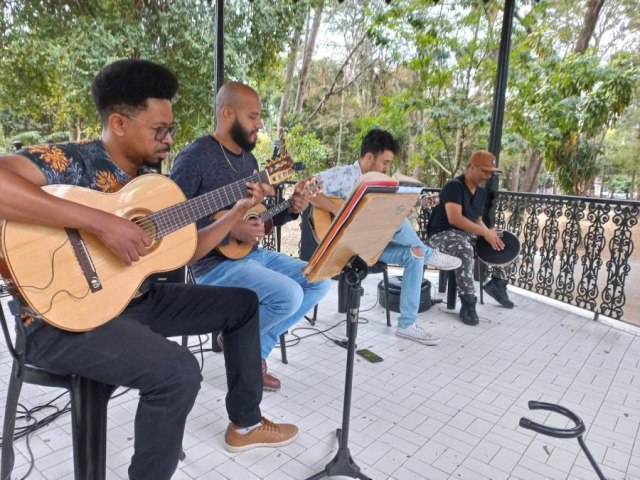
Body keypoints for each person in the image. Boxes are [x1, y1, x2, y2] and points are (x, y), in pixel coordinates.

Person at [0, 59, 298, 480]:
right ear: (118, 123)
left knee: (244, 304)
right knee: (178, 372)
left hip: (129, 300)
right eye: (160, 130)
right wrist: (102, 222)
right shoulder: (71, 160)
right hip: (58, 320)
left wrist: (234, 213)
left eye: (171, 129)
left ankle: (245, 422)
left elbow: (188, 252)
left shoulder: (149, 185)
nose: (169, 139)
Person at [170, 82, 331, 392]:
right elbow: (172, 220)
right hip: (211, 266)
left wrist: (291, 208)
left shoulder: (250, 162)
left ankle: (251, 347)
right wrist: (230, 227)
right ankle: (242, 347)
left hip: (250, 255)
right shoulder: (195, 157)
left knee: (318, 279)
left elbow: (259, 220)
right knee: (289, 295)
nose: (260, 125)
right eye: (253, 116)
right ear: (227, 113)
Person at [311, 129, 462, 346]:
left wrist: (407, 207)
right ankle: (431, 253)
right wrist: (339, 208)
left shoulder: (382, 184)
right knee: (397, 222)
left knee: (414, 253)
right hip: (349, 245)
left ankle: (407, 324)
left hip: (374, 244)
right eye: (385, 162)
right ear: (369, 157)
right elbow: (305, 189)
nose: (387, 168)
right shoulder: (343, 175)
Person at [427, 150, 515, 327]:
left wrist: (490, 235)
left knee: (503, 241)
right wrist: (484, 233)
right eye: (485, 171)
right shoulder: (454, 186)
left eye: (491, 173)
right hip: (442, 234)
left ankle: (498, 283)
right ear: (472, 167)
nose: (488, 176)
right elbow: (455, 219)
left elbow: (478, 220)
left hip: (465, 235)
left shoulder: (481, 193)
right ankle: (468, 303)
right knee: (464, 248)